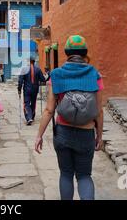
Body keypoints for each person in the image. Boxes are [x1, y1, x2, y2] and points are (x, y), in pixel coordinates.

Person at [35, 35, 104, 200]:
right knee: (84, 176)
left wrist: (39, 135)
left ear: (66, 53)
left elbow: (49, 110)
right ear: (84, 53)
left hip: (63, 133)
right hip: (86, 133)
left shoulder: (57, 74)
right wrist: (99, 136)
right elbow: (99, 111)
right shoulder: (95, 74)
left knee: (66, 174)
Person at [18, 58, 46, 125]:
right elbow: (43, 79)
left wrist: (19, 89)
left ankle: (29, 118)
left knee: (26, 103)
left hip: (27, 89)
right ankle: (32, 116)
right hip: (35, 89)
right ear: (34, 62)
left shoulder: (24, 69)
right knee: (33, 103)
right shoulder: (38, 69)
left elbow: (20, 81)